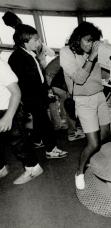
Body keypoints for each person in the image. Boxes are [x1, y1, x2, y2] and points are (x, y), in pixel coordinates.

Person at [60, 22, 111, 189]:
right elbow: (80, 78)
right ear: (78, 38)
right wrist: (92, 56)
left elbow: (104, 72)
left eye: (94, 41)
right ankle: (79, 171)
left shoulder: (94, 52)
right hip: (83, 101)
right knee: (94, 143)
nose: (91, 45)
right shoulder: (66, 53)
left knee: (105, 135)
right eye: (88, 41)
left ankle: (91, 159)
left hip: (99, 96)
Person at [8, 24, 68, 159]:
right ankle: (51, 149)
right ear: (25, 41)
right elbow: (24, 82)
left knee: (40, 120)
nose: (39, 42)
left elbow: (38, 76)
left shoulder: (29, 54)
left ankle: (36, 139)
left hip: (37, 95)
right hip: (32, 97)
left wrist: (46, 91)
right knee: (45, 123)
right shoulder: (18, 57)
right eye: (35, 40)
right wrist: (40, 95)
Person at [0, 58, 43, 184]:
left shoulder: (0, 65)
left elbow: (16, 93)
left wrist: (8, 117)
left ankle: (34, 168)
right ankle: (1, 168)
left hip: (8, 109)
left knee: (18, 142)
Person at [45, 56, 85, 141]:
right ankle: (72, 131)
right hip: (56, 84)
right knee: (68, 104)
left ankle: (63, 124)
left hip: (54, 83)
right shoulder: (71, 62)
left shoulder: (65, 60)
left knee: (62, 103)